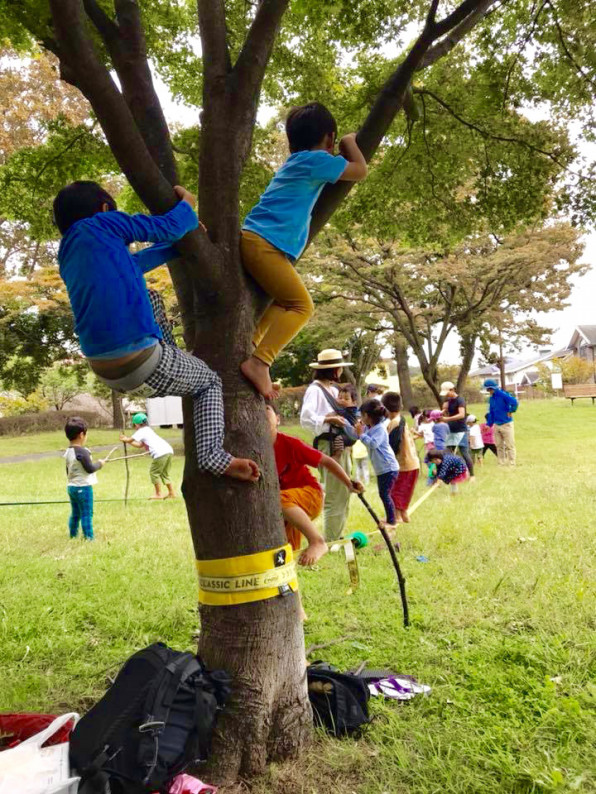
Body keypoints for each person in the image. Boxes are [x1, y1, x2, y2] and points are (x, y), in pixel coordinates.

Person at [53, 180, 259, 483]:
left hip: (107, 371)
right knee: (209, 382)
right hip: (142, 358)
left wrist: (175, 249)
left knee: (149, 296)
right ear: (105, 208)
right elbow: (173, 224)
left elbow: (133, 264)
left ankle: (172, 355)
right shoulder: (105, 222)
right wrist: (185, 204)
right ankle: (213, 456)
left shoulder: (68, 254)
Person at [240, 102, 367, 399]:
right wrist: (349, 143)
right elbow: (360, 170)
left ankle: (253, 344)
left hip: (256, 241)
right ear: (329, 138)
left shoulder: (294, 163)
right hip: (264, 244)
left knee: (283, 301)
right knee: (302, 306)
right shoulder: (315, 161)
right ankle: (260, 362)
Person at [266, 404, 362, 568]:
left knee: (277, 500)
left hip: (309, 496)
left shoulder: (290, 444)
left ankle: (318, 541)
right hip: (287, 511)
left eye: (267, 409)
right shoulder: (252, 450)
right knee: (286, 556)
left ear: (278, 419)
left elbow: (327, 461)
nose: (261, 413)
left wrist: (348, 483)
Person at [300, 349, 355, 541]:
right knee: (335, 493)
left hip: (341, 444)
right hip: (330, 445)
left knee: (343, 491)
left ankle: (336, 534)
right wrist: (329, 419)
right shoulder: (315, 390)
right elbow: (306, 419)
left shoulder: (333, 390)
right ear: (334, 369)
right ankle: (332, 540)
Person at [356, 399, 399, 527]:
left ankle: (391, 521)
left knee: (384, 494)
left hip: (388, 467)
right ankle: (390, 518)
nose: (361, 418)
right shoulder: (372, 428)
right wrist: (361, 431)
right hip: (382, 469)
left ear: (368, 416)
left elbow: (373, 444)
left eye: (362, 415)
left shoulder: (380, 429)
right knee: (383, 494)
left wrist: (361, 435)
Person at [64, 417, 105, 540]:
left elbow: (68, 471)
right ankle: (89, 538)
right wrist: (100, 464)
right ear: (82, 435)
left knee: (75, 513)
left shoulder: (68, 452)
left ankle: (73, 534)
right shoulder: (83, 451)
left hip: (72, 487)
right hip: (84, 488)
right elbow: (90, 468)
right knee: (87, 513)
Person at [382, 391, 420, 523]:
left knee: (395, 491)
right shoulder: (402, 419)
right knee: (405, 490)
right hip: (414, 462)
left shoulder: (393, 423)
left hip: (403, 464)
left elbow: (391, 445)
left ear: (385, 408)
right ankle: (404, 514)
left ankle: (396, 517)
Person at [120, 413, 176, 499]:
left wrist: (124, 439)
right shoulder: (148, 430)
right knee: (164, 473)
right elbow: (139, 445)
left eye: (134, 424)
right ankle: (171, 493)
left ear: (136, 424)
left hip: (160, 453)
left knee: (154, 473)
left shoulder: (141, 431)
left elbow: (130, 439)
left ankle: (158, 494)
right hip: (168, 450)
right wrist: (127, 440)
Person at [439, 381, 475, 481]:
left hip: (461, 430)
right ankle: (451, 473)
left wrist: (447, 419)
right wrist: (440, 413)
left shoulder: (460, 400)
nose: (446, 395)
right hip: (450, 429)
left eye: (447, 392)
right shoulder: (448, 401)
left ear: (452, 390)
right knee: (447, 452)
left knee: (464, 453)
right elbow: (444, 410)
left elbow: (461, 415)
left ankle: (472, 475)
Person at [313, 383, 359, 455]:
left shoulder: (351, 410)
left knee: (339, 439)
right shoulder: (342, 410)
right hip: (343, 434)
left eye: (346, 399)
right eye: (340, 398)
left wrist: (330, 415)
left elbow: (336, 413)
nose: (342, 400)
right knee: (318, 438)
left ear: (354, 402)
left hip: (350, 437)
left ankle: (337, 457)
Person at [483, 379, 518, 466]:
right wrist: (488, 424)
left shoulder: (503, 395)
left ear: (492, 388)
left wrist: (511, 410)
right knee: (499, 445)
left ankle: (512, 463)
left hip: (506, 424)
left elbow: (515, 402)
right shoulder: (491, 399)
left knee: (510, 445)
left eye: (488, 389)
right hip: (496, 424)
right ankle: (501, 462)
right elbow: (491, 412)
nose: (488, 391)